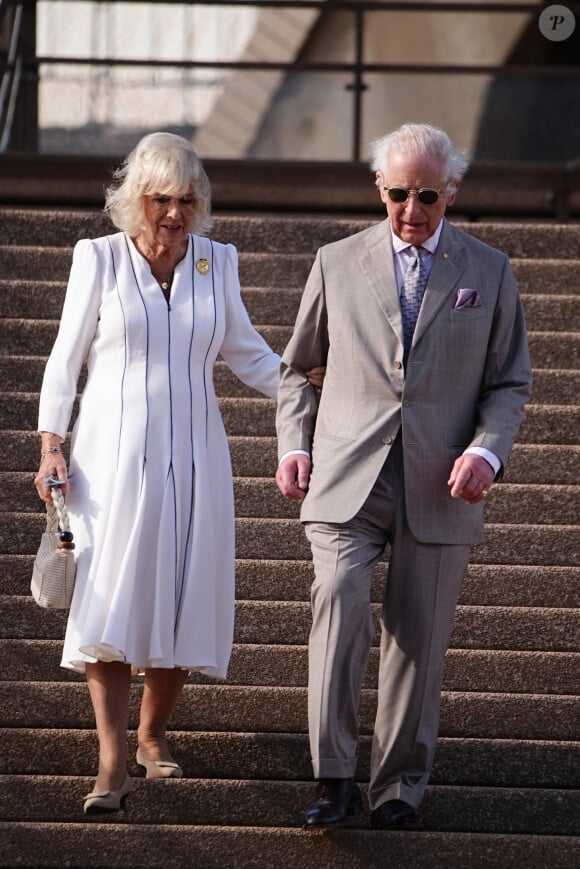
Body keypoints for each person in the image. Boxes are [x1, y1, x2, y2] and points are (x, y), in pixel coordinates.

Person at [34, 131, 324, 815]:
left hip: (197, 456)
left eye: (187, 199)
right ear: (135, 198)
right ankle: (111, 760)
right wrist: (52, 445)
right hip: (108, 460)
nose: (174, 213)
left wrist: (309, 382)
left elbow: (248, 353)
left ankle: (152, 734)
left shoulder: (215, 263)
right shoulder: (99, 259)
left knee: (184, 587)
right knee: (109, 600)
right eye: (161, 198)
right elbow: (62, 358)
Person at [275, 122, 532, 830]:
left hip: (443, 480)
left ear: (451, 191)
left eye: (426, 194)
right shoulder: (335, 260)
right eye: (397, 194)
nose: (411, 209)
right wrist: (294, 443)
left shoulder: (489, 271)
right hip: (347, 478)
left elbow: (510, 383)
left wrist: (486, 451)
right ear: (378, 190)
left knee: (418, 640)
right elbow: (298, 368)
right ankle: (332, 777)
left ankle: (398, 786)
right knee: (338, 601)